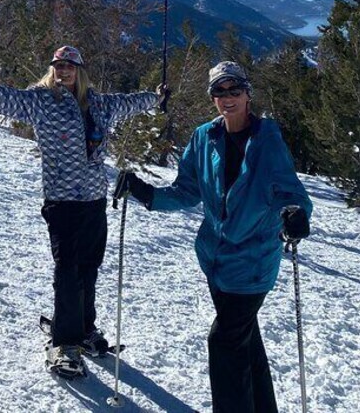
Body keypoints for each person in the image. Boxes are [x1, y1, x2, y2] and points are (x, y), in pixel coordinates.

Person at [0, 45, 163, 378]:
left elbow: (131, 102)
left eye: (69, 66)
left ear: (80, 70)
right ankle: (64, 343)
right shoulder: (42, 101)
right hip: (63, 202)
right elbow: (7, 99)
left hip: (95, 201)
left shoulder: (100, 104)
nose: (63, 71)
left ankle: (83, 328)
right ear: (52, 70)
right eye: (58, 66)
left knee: (89, 268)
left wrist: (156, 97)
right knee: (68, 271)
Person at [115, 61, 312, 412]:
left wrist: (295, 214)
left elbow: (290, 191)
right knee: (244, 341)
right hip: (215, 262)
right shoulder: (204, 137)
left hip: (252, 265)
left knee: (223, 342)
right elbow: (187, 191)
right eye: (219, 92)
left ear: (247, 93)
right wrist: (145, 192)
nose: (227, 98)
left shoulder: (267, 138)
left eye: (234, 90)